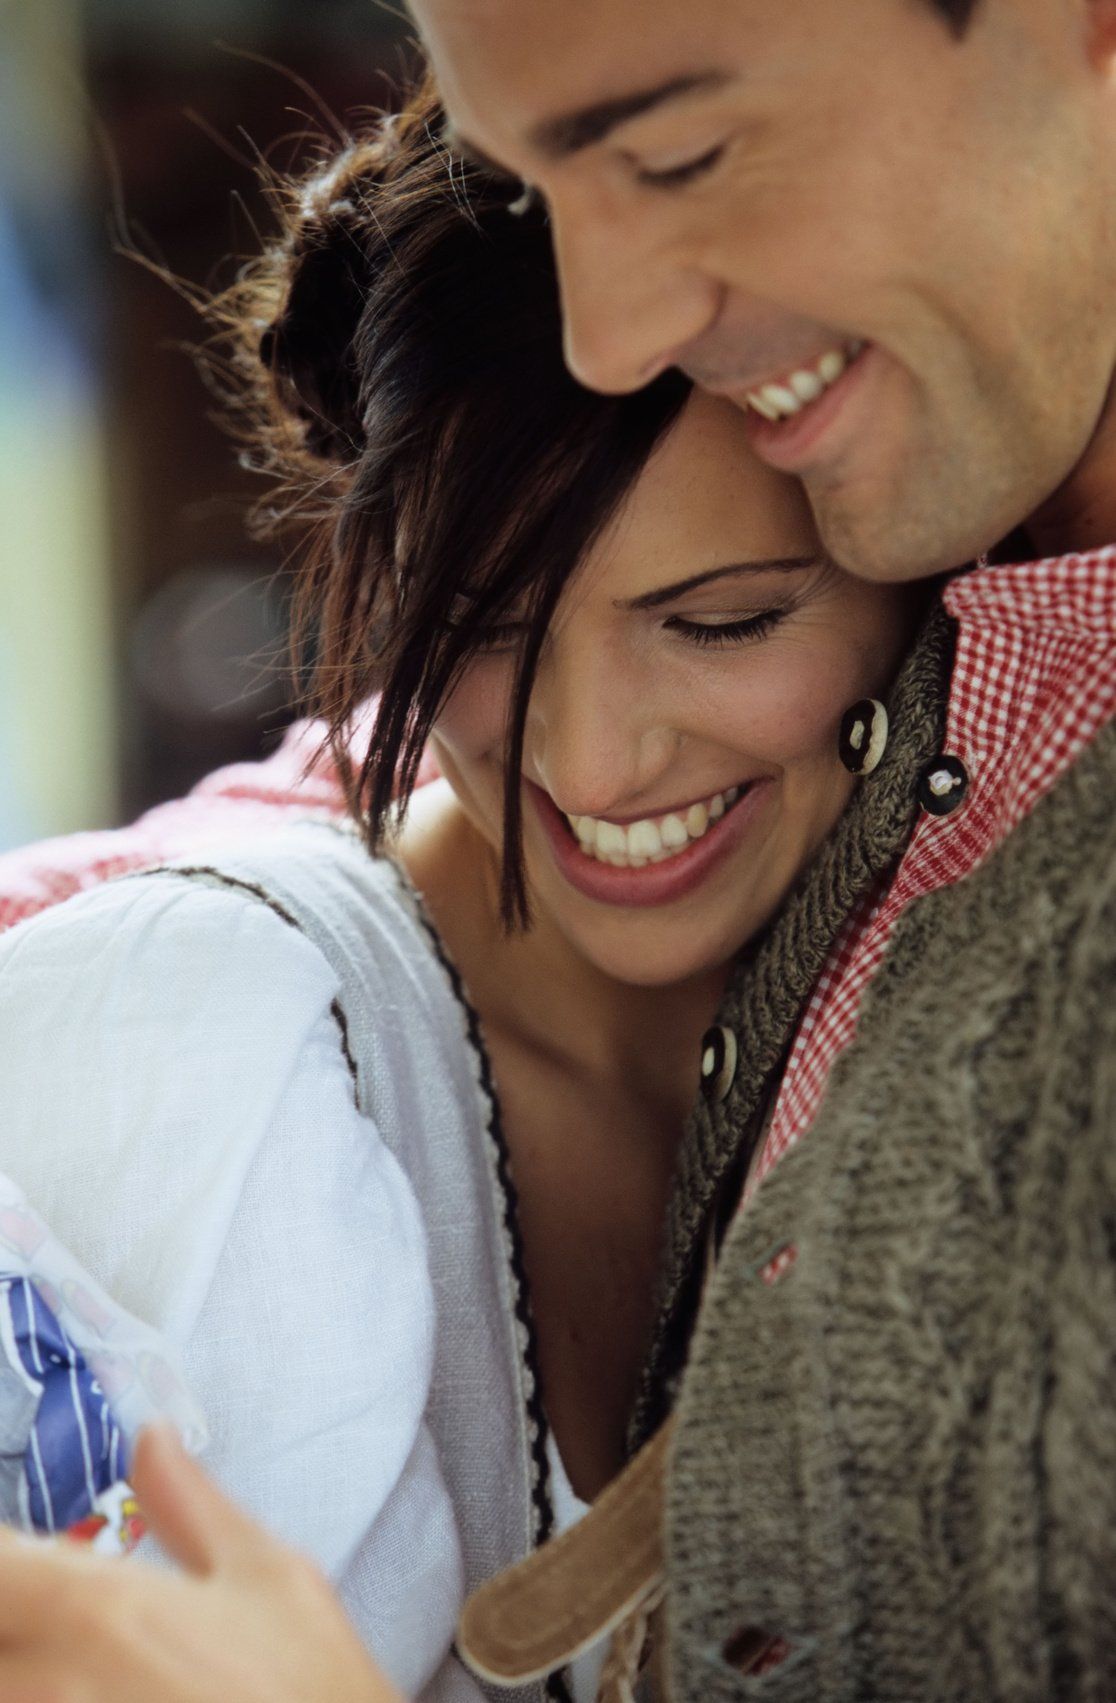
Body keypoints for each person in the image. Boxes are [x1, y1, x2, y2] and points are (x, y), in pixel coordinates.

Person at [0, 84, 932, 1703]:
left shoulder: (947, 1053)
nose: (591, 759)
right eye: (481, 625)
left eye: (717, 625)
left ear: (925, 579)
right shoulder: (195, 1036)